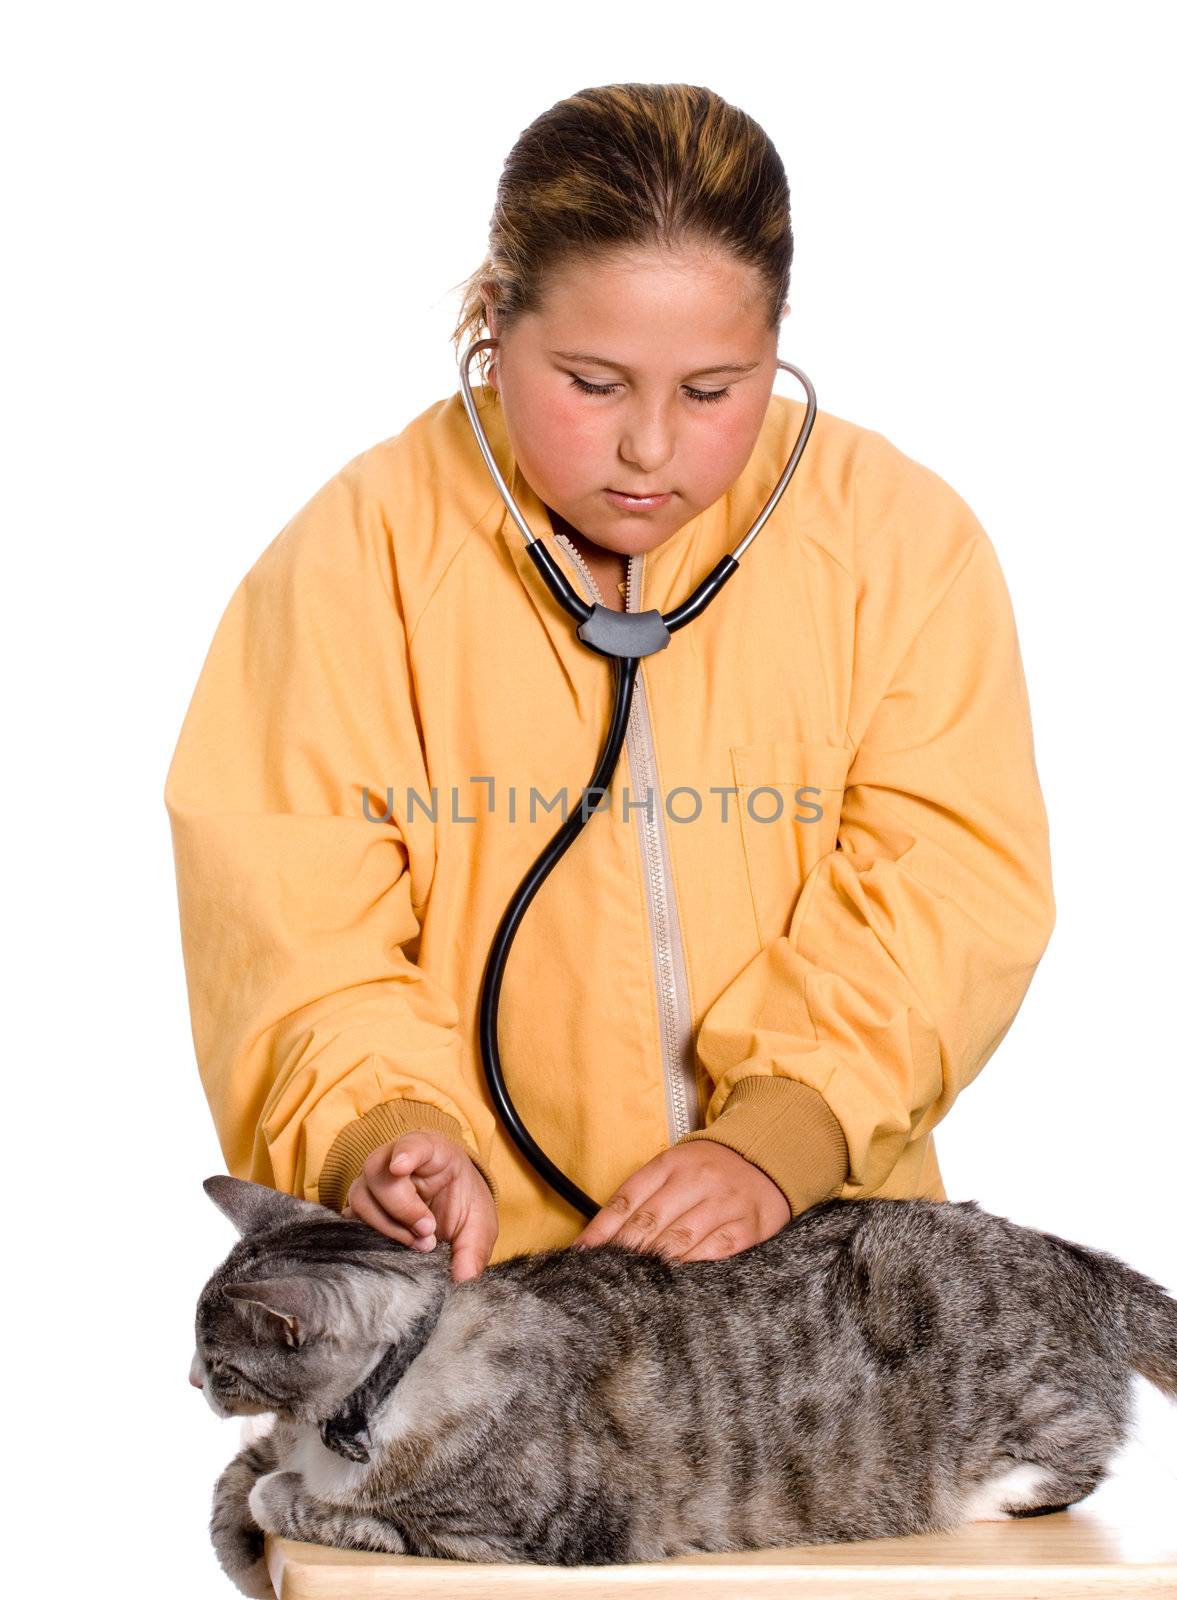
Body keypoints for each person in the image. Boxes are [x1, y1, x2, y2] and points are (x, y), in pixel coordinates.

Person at [164, 82, 1055, 1289]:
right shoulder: (352, 558)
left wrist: (782, 1131)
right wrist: (388, 1132)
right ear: (492, 321)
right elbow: (290, 916)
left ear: (777, 341)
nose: (649, 447)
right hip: (488, 1324)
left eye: (712, 390)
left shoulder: (897, 542)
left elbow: (947, 883)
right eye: (591, 383)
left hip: (825, 1311)